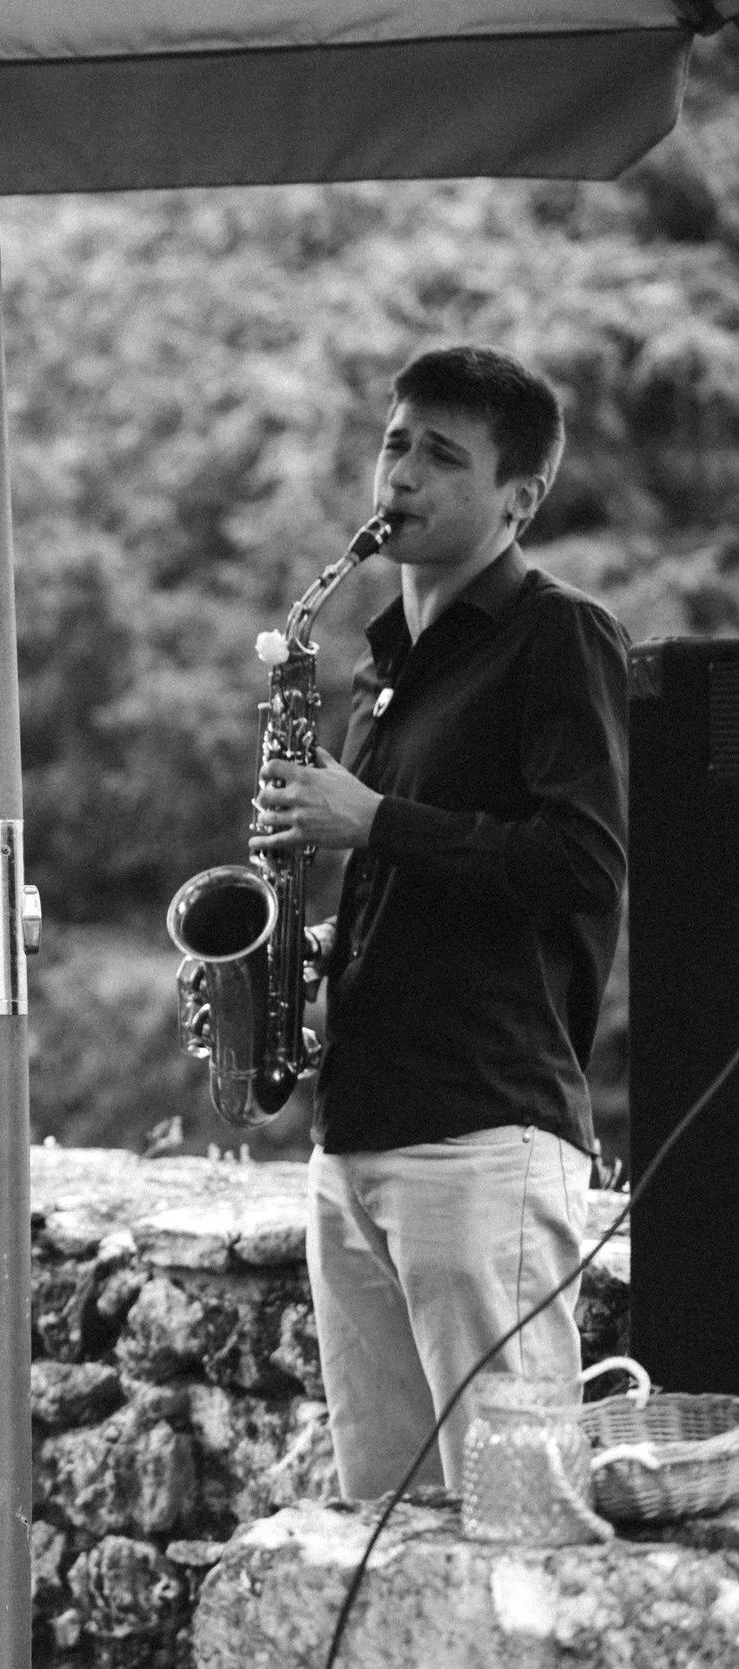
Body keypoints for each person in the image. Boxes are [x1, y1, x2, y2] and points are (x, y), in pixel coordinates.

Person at [253, 344, 627, 1499]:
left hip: (479, 1141)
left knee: (519, 1523)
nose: (399, 477)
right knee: (388, 1527)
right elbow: (429, 877)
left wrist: (375, 824)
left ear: (518, 499)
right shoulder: (385, 671)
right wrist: (303, 951)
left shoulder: (559, 636)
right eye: (394, 443)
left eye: (441, 455)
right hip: (357, 1138)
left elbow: (584, 860)